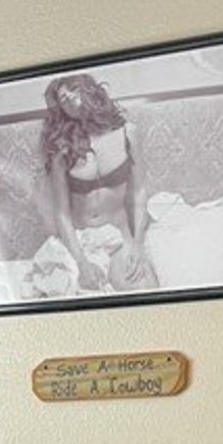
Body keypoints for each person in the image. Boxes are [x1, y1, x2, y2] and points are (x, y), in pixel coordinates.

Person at [39, 73, 153, 294]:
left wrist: (138, 244)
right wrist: (82, 263)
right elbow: (62, 214)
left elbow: (139, 192)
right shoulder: (62, 150)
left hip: (120, 238)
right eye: (63, 99)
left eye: (74, 88)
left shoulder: (127, 133)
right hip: (83, 243)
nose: (69, 97)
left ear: (89, 89)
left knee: (144, 289)